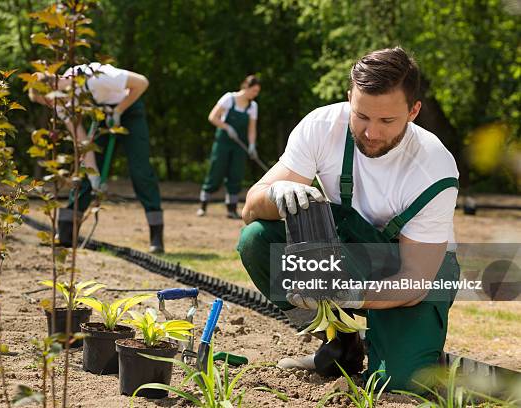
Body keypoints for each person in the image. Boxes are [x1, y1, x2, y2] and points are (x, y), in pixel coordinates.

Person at [236, 47, 460, 391]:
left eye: (387, 121)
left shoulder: (433, 168)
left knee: (398, 384)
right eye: (362, 116)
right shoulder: (322, 127)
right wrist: (276, 193)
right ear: (349, 99)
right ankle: (340, 343)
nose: (371, 133)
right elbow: (250, 208)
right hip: (356, 254)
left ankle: (413, 349)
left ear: (413, 111)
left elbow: (415, 279)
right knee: (257, 240)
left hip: (417, 272)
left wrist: (349, 295)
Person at [29, 62, 165, 253]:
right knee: (86, 172)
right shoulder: (62, 104)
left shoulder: (96, 76)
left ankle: (156, 237)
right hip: (101, 115)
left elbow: (142, 83)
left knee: (140, 170)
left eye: (48, 101)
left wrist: (118, 110)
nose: (51, 106)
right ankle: (66, 232)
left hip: (130, 109)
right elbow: (82, 143)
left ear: (53, 86)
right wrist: (94, 180)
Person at [197, 75, 261, 219]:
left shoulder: (253, 106)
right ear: (246, 87)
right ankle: (203, 205)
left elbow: (252, 129)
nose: (255, 94)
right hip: (223, 142)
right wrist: (227, 127)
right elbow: (212, 117)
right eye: (254, 91)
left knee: (235, 174)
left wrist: (252, 145)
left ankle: (231, 209)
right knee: (216, 172)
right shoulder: (229, 98)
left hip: (239, 145)